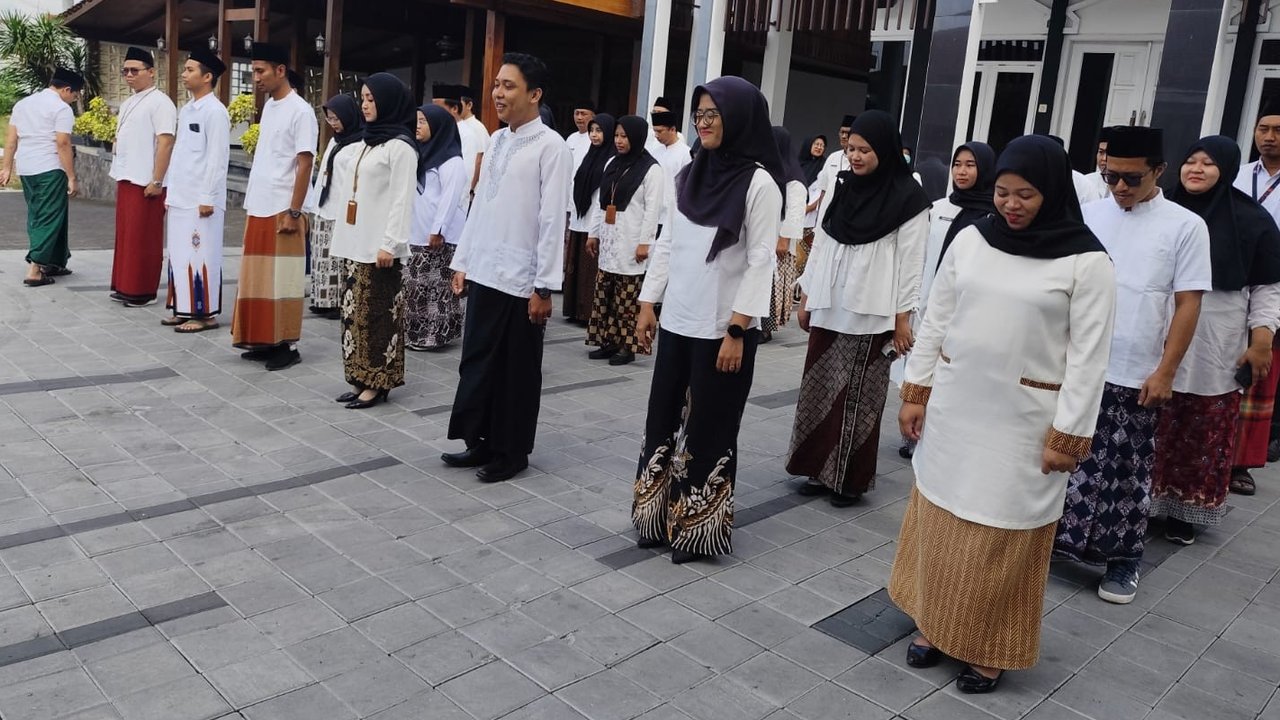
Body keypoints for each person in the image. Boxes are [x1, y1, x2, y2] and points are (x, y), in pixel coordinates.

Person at [891, 135, 1115, 694]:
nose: (1011, 205)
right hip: (957, 407)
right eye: (1004, 193)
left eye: (1026, 195)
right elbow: (936, 316)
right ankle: (932, 624)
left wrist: (1068, 436)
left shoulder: (1088, 262)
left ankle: (988, 649)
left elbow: (1090, 359)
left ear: (1053, 193)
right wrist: (915, 390)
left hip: (1025, 421)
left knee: (1003, 533)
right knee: (942, 513)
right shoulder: (971, 238)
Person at [1054, 126, 1211, 604]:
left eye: (1132, 179)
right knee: (1065, 458)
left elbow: (1188, 304)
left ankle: (1123, 561)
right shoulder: (1089, 214)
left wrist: (1165, 371)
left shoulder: (1186, 226)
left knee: (1127, 471)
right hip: (1078, 362)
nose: (1120, 188)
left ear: (1158, 172)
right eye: (1111, 177)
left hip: (1137, 368)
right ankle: (1053, 543)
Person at [633, 76, 784, 563]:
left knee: (710, 428)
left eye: (713, 114)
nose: (704, 122)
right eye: (699, 114)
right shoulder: (689, 174)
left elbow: (762, 260)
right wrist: (647, 303)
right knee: (661, 419)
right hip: (678, 320)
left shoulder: (760, 184)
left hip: (723, 329)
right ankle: (655, 517)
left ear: (739, 118)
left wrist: (739, 329)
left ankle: (697, 530)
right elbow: (669, 243)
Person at [788, 111, 931, 507]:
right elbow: (822, 242)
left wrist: (903, 320)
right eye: (850, 148)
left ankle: (847, 480)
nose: (855, 156)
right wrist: (806, 297)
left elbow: (911, 265)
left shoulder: (909, 200)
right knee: (819, 387)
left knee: (858, 397)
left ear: (884, 150)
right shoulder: (842, 186)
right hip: (831, 304)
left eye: (865, 150)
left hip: (873, 311)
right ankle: (816, 468)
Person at [443, 52, 572, 483]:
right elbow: (480, 205)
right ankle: (479, 440)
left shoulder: (551, 147)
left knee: (516, 369)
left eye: (509, 85)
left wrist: (544, 287)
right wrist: (462, 261)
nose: (498, 92)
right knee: (478, 361)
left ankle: (511, 450)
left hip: (522, 280)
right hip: (484, 271)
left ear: (534, 94)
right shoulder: (497, 140)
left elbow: (554, 219)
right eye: (497, 84)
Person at [1150, 137, 1280, 542]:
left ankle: (1183, 512)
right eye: (1190, 160)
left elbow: (1267, 288)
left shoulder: (1252, 220)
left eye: (1208, 163)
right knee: (1153, 422)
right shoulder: (1160, 210)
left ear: (1225, 168)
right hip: (1156, 334)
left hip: (1215, 342)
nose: (1197, 169)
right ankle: (1142, 503)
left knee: (1199, 427)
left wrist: (1261, 341)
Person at [898, 141, 996, 459]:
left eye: (970, 165)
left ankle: (939, 434)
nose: (962, 171)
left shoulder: (993, 216)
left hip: (966, 309)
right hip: (928, 302)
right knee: (921, 365)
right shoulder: (938, 208)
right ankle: (914, 430)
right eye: (957, 164)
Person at [327, 73, 415, 409]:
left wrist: (390, 244)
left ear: (389, 101)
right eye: (362, 99)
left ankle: (379, 381)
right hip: (355, 242)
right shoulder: (366, 142)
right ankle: (359, 376)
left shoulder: (401, 147)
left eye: (371, 99)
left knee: (378, 316)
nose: (364, 105)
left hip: (379, 248)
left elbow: (401, 200)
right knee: (353, 315)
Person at [231, 43, 318, 371]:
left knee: (285, 279)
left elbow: (305, 162)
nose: (255, 78)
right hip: (260, 205)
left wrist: (294, 211)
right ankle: (265, 340)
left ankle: (287, 345)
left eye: (260, 71)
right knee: (259, 279)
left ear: (280, 70)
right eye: (253, 71)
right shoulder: (270, 107)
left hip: (284, 208)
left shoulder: (301, 110)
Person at [1230, 100, 1280, 493]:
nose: (1269, 137)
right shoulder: (1238, 175)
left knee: (1261, 375)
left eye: (1277, 130)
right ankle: (1219, 451)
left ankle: (1242, 462)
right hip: (1235, 280)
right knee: (1228, 368)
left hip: (1273, 284)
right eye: (1263, 129)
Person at [585, 115, 662, 366]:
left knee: (626, 298)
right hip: (609, 240)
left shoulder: (651, 169)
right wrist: (593, 234)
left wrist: (645, 243)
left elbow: (653, 210)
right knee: (606, 293)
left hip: (631, 241)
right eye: (617, 136)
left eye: (624, 136)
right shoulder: (612, 163)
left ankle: (626, 346)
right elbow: (601, 202)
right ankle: (608, 341)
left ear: (637, 137)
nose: (618, 141)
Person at [162, 48, 230, 333]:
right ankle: (183, 308)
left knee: (201, 256)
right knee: (179, 254)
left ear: (208, 76)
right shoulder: (187, 108)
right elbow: (180, 154)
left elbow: (216, 157)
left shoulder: (215, 112)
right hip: (181, 196)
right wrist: (169, 189)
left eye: (190, 69)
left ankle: (205, 314)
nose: (185, 74)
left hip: (201, 200)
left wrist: (208, 197)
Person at [109, 47, 177, 307]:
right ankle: (124, 285)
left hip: (147, 181)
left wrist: (157, 180)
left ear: (151, 72)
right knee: (126, 236)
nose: (128, 75)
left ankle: (142, 290)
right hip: (126, 176)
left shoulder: (161, 102)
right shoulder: (129, 102)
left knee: (144, 238)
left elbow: (166, 142)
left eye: (134, 70)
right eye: (125, 70)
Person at [1, 68, 82, 287]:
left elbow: (10, 141)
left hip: (27, 168)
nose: (74, 100)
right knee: (47, 217)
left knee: (48, 213)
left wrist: (7, 167)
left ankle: (55, 261)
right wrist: (71, 176)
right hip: (50, 168)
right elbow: (63, 143)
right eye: (75, 95)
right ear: (66, 89)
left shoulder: (23, 104)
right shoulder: (61, 109)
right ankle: (35, 269)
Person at [405, 103, 468, 351]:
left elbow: (450, 198)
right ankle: (415, 333)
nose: (417, 126)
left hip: (439, 235)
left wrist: (438, 229)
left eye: (422, 122)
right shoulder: (420, 153)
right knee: (416, 286)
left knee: (437, 289)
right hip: (417, 232)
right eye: (416, 121)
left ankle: (434, 336)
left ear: (438, 126)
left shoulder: (451, 161)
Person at [302, 94, 363, 319]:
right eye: (329, 119)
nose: (333, 123)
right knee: (321, 256)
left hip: (341, 208)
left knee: (337, 260)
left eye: (337, 118)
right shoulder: (335, 141)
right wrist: (313, 206)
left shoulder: (361, 143)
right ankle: (321, 300)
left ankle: (337, 302)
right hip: (324, 205)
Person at [564, 114, 616, 324]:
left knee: (589, 267)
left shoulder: (610, 159)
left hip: (594, 222)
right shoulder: (589, 154)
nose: (594, 135)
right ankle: (574, 309)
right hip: (579, 218)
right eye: (592, 131)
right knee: (576, 265)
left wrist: (596, 225)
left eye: (599, 131)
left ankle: (587, 312)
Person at [761, 126, 808, 342]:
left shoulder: (794, 178)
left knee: (773, 285)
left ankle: (765, 328)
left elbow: (795, 213)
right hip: (765, 236)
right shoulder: (771, 170)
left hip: (779, 241)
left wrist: (783, 239)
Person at [432, 83, 488, 206]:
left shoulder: (468, 133)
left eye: (439, 108)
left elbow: (471, 169)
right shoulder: (442, 130)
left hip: (456, 203)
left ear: (455, 109)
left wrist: (466, 195)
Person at [797, 135, 827, 278]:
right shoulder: (798, 165)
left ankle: (800, 287)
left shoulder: (824, 167)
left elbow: (822, 192)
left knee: (805, 253)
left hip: (811, 217)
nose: (819, 147)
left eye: (822, 145)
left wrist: (808, 208)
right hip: (795, 214)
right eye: (816, 144)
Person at [1078, 127, 1113, 203]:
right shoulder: (1086, 181)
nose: (1104, 158)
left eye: (1109, 153)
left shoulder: (1127, 187)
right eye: (1101, 152)